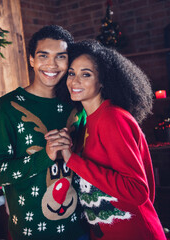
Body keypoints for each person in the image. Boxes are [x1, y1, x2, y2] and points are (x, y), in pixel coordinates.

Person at [45, 40, 167, 240]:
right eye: (71, 73)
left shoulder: (112, 118)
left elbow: (138, 191)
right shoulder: (88, 121)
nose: (74, 81)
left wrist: (72, 159)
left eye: (86, 74)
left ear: (102, 81)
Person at [0, 25, 88, 240]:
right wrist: (45, 157)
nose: (51, 64)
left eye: (61, 57)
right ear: (31, 59)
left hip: (79, 229)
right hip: (30, 232)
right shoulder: (7, 107)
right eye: (44, 56)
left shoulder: (78, 104)